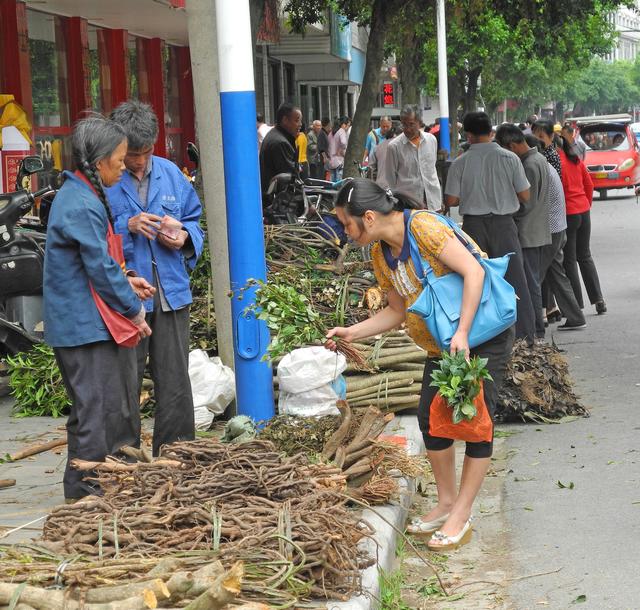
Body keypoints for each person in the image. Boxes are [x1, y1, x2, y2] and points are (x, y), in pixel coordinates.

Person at [325, 178, 515, 551]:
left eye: (346, 224)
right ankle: (446, 501)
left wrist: (462, 332)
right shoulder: (380, 254)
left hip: (480, 335)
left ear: (367, 216)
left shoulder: (424, 227)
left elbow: (474, 272)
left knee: (476, 423)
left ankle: (462, 511)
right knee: (431, 419)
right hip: (443, 344)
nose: (345, 233)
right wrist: (352, 332)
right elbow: (396, 312)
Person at [44, 115, 154, 501]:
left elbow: (99, 266)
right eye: (121, 160)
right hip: (82, 327)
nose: (124, 168)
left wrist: (126, 282)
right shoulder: (80, 203)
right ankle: (87, 498)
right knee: (95, 414)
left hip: (82, 323)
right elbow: (100, 267)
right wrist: (133, 309)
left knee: (88, 411)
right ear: (100, 161)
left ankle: (80, 490)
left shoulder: (81, 195)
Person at [107, 100, 204, 457]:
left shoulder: (170, 174)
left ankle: (178, 455)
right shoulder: (105, 181)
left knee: (175, 380)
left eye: (147, 152)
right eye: (133, 154)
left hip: (171, 293)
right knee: (124, 382)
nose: (140, 161)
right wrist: (126, 227)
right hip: (127, 298)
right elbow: (89, 238)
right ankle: (122, 458)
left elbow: (195, 221)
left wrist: (185, 237)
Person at [445, 111, 537, 345]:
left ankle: (484, 337)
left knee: (477, 280)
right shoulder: (510, 158)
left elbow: (451, 201)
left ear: (468, 134)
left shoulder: (460, 162)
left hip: (474, 228)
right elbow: (525, 195)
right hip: (505, 224)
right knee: (516, 277)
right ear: (491, 132)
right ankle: (525, 335)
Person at [524, 135, 587, 330]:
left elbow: (530, 203)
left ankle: (532, 324)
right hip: (558, 228)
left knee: (533, 278)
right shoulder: (545, 165)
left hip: (550, 230)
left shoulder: (535, 167)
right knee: (556, 275)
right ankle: (576, 317)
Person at [495, 124, 551, 340]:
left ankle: (536, 327)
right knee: (532, 280)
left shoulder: (528, 165)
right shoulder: (539, 159)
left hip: (528, 231)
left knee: (530, 282)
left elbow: (526, 204)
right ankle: (536, 325)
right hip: (537, 230)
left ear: (511, 146)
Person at [558, 135, 607, 315]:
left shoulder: (558, 165)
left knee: (569, 260)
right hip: (583, 210)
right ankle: (598, 299)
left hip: (569, 213)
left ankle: (576, 305)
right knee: (585, 256)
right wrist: (585, 205)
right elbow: (589, 184)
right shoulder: (575, 160)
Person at [385, 104, 442, 211]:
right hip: (408, 204)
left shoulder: (431, 140)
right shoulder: (394, 147)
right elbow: (390, 179)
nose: (407, 129)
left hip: (432, 201)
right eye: (404, 125)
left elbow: (431, 169)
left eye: (411, 124)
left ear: (419, 122)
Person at [259, 102, 302, 200]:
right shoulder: (280, 143)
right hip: (278, 204)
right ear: (285, 120)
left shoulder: (276, 136)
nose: (300, 124)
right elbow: (291, 179)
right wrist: (308, 205)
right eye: (297, 120)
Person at [327, 116, 350, 182]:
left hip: (331, 162)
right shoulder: (341, 131)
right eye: (348, 125)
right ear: (343, 125)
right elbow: (343, 143)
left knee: (333, 183)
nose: (348, 128)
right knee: (339, 183)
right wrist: (340, 151)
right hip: (339, 161)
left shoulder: (331, 133)